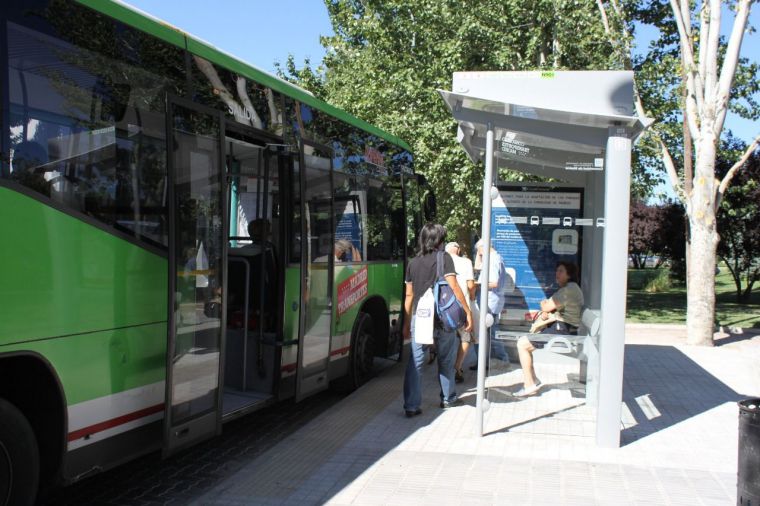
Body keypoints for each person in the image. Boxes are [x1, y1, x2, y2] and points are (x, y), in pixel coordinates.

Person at [402, 224, 473, 417]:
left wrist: (407, 323)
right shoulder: (445, 258)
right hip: (443, 317)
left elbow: (409, 296)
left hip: (420, 317)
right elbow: (455, 287)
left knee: (416, 361)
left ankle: (411, 405)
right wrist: (467, 312)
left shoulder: (413, 262)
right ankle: (448, 398)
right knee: (446, 358)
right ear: (439, 240)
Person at [515, 261, 584, 397]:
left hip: (562, 330)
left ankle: (529, 384)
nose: (557, 274)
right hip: (563, 327)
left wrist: (546, 307)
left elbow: (546, 306)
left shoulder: (568, 290)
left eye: (561, 271)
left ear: (569, 274)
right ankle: (533, 380)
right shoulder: (570, 288)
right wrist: (548, 308)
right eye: (557, 270)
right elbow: (550, 306)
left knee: (522, 344)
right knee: (524, 343)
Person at [470, 238, 509, 370]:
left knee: (490, 333)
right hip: (493, 300)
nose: (478, 253)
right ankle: (487, 361)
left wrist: (476, 284)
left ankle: (501, 360)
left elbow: (493, 283)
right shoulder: (495, 257)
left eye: (479, 250)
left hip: (489, 301)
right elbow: (477, 267)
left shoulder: (492, 260)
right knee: (489, 332)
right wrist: (480, 255)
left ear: (483, 247)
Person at [445, 242, 476, 383]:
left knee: (445, 339)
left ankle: (445, 369)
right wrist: (473, 297)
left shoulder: (441, 261)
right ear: (458, 250)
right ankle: (457, 366)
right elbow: (470, 285)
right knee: (465, 337)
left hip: (444, 306)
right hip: (462, 306)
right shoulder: (466, 262)